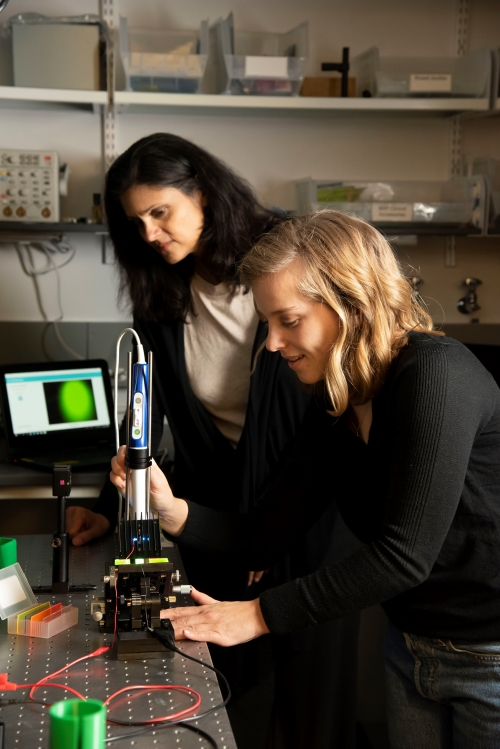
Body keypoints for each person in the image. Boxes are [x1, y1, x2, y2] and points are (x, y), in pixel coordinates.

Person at [111, 210, 500, 749]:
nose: (271, 344)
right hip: (412, 645)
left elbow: (404, 555)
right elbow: (265, 533)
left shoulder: (436, 377)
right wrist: (172, 509)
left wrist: (257, 615)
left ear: (353, 305)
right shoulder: (338, 400)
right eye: (266, 322)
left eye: (288, 321)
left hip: (490, 658)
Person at [67, 135, 360, 749]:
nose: (148, 234)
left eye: (160, 212)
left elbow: (330, 410)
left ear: (202, 191)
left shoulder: (288, 260)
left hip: (308, 516)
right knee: (217, 689)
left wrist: (274, 531)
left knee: (310, 701)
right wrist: (103, 502)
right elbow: (146, 408)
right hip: (218, 521)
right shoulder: (163, 291)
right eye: (135, 221)